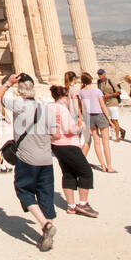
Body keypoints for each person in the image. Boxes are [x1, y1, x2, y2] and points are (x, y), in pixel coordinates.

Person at [8, 74, 57, 250]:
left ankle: (46, 225)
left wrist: (8, 83)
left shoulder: (18, 106)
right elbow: (55, 135)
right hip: (46, 159)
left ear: (20, 91)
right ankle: (46, 237)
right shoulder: (46, 109)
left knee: (23, 190)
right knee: (46, 195)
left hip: (27, 159)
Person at [50, 84, 97, 217]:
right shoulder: (62, 110)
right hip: (69, 144)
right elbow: (70, 130)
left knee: (68, 174)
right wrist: (80, 127)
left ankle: (71, 206)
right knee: (86, 172)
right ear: (63, 96)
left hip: (56, 145)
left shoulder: (49, 107)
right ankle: (83, 204)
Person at [78, 73, 115, 172]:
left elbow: (83, 107)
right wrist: (109, 119)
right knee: (105, 142)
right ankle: (109, 166)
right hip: (99, 115)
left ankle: (103, 166)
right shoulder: (97, 91)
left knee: (96, 142)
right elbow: (103, 106)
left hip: (90, 117)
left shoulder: (81, 92)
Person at [97, 69, 124, 142]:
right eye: (99, 74)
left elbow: (118, 92)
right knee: (108, 120)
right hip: (105, 103)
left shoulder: (110, 81)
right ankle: (120, 131)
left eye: (101, 74)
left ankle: (117, 137)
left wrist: (109, 95)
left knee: (114, 120)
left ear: (104, 74)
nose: (100, 76)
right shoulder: (99, 82)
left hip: (113, 102)